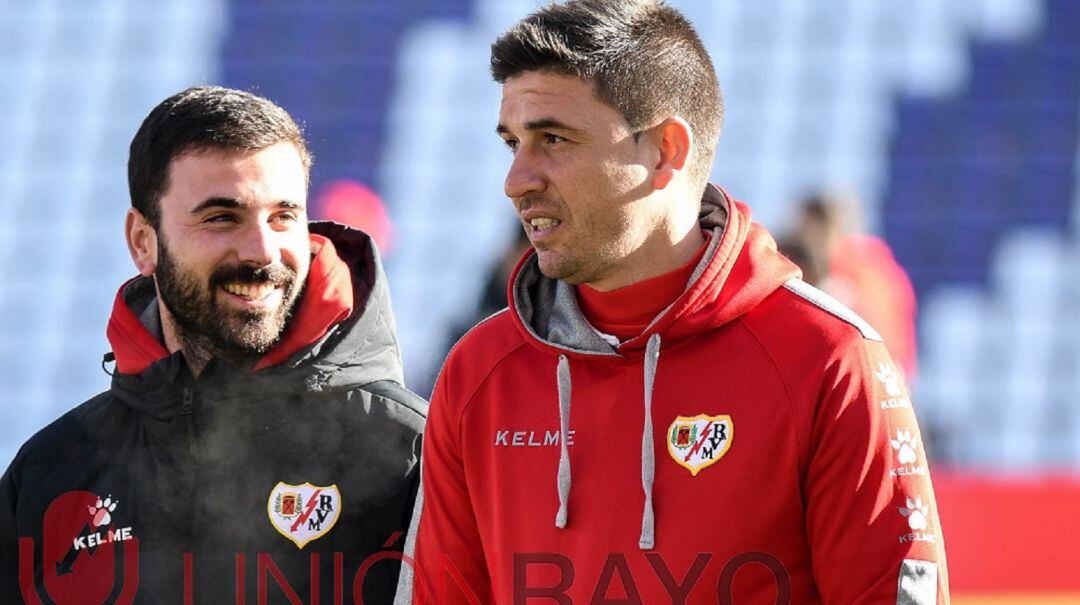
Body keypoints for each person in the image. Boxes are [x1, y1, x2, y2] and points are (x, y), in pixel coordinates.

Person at [395, 1, 948, 603]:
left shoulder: (830, 359)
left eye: (553, 138)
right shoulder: (478, 373)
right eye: (513, 143)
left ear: (665, 150)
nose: (517, 180)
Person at [0, 86, 425, 602]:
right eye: (221, 217)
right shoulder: (53, 470)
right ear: (143, 241)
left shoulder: (412, 451)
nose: (262, 251)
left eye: (283, 216)